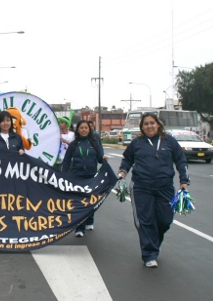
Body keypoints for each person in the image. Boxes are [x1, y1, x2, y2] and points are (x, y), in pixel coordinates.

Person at [118, 113, 189, 268]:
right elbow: (127, 159)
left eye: (152, 123)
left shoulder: (169, 141)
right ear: (142, 127)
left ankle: (154, 242)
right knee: (145, 221)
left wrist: (184, 180)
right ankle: (149, 254)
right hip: (141, 187)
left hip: (165, 187)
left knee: (165, 220)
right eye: (146, 124)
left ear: (158, 124)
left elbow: (181, 160)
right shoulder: (137, 143)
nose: (149, 126)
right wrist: (123, 171)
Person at [62, 120, 105, 237]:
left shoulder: (95, 143)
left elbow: (100, 159)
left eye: (86, 128)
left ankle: (90, 220)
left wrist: (104, 158)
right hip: (77, 177)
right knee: (79, 203)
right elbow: (66, 162)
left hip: (91, 177)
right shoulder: (74, 144)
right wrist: (63, 176)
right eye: (81, 128)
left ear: (89, 129)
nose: (84, 130)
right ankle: (79, 228)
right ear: (78, 130)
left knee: (90, 201)